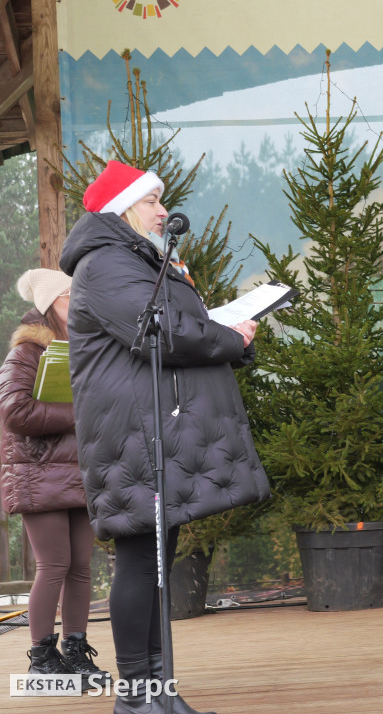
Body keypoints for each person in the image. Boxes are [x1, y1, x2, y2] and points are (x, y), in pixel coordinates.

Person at [59, 160, 271, 714]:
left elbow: (171, 325)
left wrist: (225, 332)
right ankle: (136, 697)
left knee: (154, 561)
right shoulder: (105, 264)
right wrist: (229, 337)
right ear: (122, 208)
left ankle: (158, 690)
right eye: (152, 201)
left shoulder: (136, 260)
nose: (161, 210)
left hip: (147, 431)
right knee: (138, 561)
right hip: (131, 437)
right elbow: (162, 331)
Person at [0, 269, 111, 686]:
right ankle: (42, 657)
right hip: (37, 474)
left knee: (81, 566)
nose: (79, 303)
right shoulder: (25, 354)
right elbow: (15, 413)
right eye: (68, 297)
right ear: (49, 306)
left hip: (80, 470)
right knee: (54, 565)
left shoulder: (86, 349)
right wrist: (81, 416)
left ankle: (76, 651)